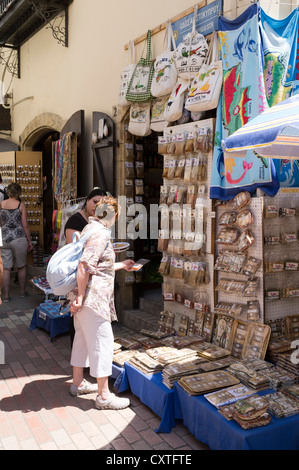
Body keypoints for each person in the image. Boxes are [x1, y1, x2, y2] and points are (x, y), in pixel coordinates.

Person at [68, 196, 134, 410]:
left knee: (82, 339)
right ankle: (104, 396)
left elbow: (97, 266)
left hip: (87, 297)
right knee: (102, 342)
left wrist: (122, 265)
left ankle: (77, 383)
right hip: (93, 298)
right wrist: (80, 296)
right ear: (112, 214)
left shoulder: (89, 228)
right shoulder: (100, 233)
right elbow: (84, 266)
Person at [64, 187, 108, 346]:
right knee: (78, 310)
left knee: (88, 311)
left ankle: (84, 348)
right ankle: (76, 346)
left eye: (101, 203)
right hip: (79, 270)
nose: (97, 206)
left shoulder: (99, 222)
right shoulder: (76, 220)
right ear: (87, 201)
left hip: (93, 271)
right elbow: (73, 248)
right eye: (94, 202)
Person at [0, 183, 32, 301]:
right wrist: (29, 240)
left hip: (4, 238)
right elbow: (25, 225)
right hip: (19, 238)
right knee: (21, 266)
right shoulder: (21, 205)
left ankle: (6, 295)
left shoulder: (1, 205)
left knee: (6, 268)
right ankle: (23, 292)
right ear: (19, 192)